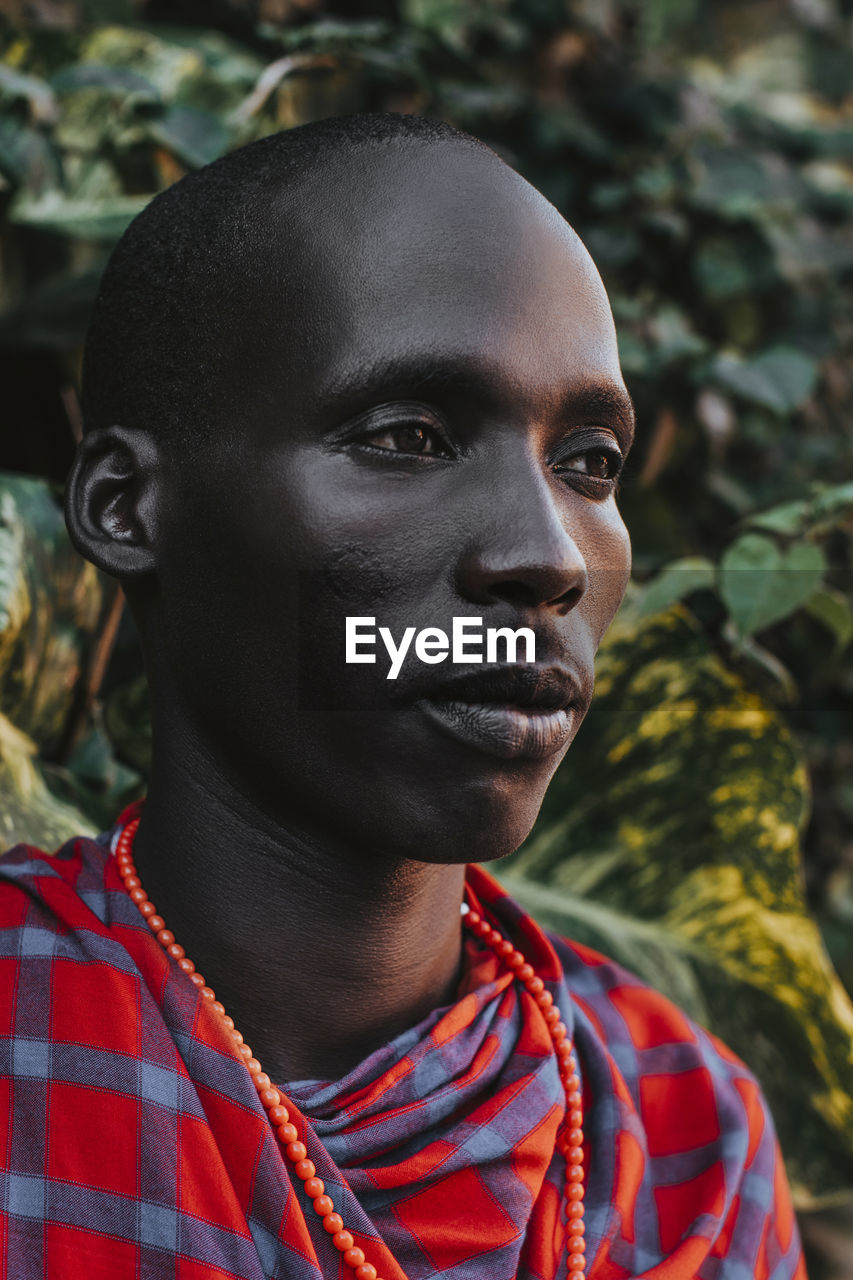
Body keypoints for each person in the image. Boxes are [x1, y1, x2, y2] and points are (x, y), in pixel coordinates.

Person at [0, 113, 805, 1279]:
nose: (548, 555)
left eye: (586, 462)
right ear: (129, 506)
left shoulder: (681, 1135)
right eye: (408, 435)